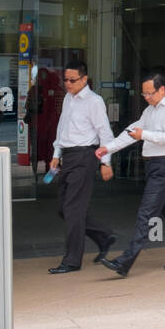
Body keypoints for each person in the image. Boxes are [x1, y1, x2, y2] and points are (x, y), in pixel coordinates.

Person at [95, 72, 165, 276]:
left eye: (149, 93)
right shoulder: (150, 111)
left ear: (162, 89)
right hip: (154, 166)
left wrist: (143, 135)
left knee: (146, 213)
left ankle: (124, 262)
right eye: (143, 94)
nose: (146, 97)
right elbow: (131, 131)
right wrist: (108, 148)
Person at [47, 59, 117, 274]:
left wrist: (106, 162)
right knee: (64, 208)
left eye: (72, 80)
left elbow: (105, 132)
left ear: (84, 79)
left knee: (73, 209)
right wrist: (56, 154)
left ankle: (72, 260)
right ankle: (103, 236)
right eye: (65, 79)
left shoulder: (94, 102)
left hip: (84, 156)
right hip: (68, 156)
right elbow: (62, 128)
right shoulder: (68, 98)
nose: (68, 84)